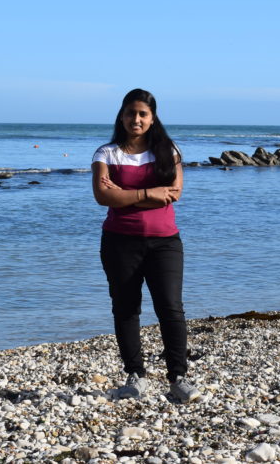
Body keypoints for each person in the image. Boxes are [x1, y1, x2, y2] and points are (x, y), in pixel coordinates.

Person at [91, 88, 201, 402]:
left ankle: (178, 378)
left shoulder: (169, 151)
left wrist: (125, 194)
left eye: (142, 114)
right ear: (121, 116)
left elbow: (174, 193)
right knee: (126, 308)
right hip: (119, 242)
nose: (136, 119)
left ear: (152, 118)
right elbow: (102, 197)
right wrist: (148, 194)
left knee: (171, 308)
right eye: (130, 113)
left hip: (165, 242)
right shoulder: (106, 153)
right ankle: (135, 375)